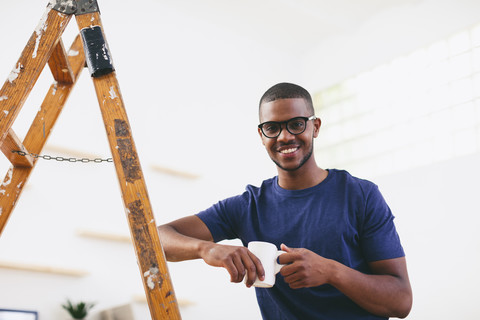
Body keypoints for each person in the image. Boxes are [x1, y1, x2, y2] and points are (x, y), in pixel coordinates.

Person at [157, 82, 412, 319]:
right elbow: (156, 238)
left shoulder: (361, 195)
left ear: (316, 127)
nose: (284, 137)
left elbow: (400, 302)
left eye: (297, 124)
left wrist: (332, 272)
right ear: (261, 134)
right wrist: (206, 249)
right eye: (272, 127)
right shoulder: (247, 207)